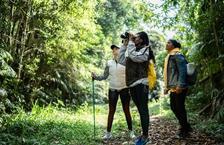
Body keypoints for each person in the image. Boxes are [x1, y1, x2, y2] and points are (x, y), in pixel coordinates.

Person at [92, 45, 135, 140]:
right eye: (113, 49)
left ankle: (131, 132)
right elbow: (104, 76)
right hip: (112, 90)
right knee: (111, 111)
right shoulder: (109, 63)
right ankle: (108, 133)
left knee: (126, 110)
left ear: (121, 50)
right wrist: (95, 77)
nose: (114, 50)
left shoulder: (125, 62)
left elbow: (131, 75)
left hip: (124, 89)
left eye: (116, 48)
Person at [118, 31, 154, 145]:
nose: (134, 39)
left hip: (141, 82)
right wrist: (125, 44)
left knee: (143, 109)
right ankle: (144, 134)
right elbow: (121, 60)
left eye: (136, 37)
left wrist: (131, 43)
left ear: (142, 40)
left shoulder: (146, 49)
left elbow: (134, 57)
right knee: (140, 109)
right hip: (132, 84)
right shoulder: (132, 48)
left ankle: (146, 136)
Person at [163, 39, 192, 138]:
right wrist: (167, 87)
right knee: (174, 107)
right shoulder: (170, 56)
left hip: (179, 87)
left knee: (179, 108)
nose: (166, 44)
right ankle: (186, 126)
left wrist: (180, 85)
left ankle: (185, 130)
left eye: (169, 42)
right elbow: (170, 74)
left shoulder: (177, 55)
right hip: (173, 87)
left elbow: (183, 71)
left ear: (174, 45)